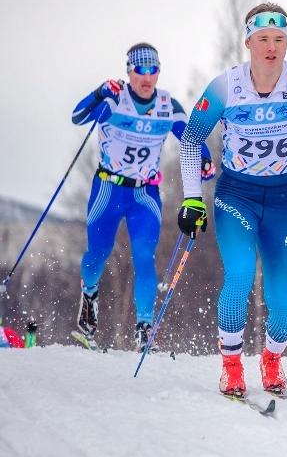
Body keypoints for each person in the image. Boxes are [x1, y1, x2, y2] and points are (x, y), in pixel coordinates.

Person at [177, 3, 287, 397]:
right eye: (263, 39)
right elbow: (190, 141)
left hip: (284, 199)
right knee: (238, 276)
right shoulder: (225, 85)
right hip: (236, 193)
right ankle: (232, 367)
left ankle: (271, 359)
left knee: (282, 298)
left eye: (279, 39)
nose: (271, 48)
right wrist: (192, 200)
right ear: (249, 42)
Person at [71, 43, 214, 351]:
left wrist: (203, 159)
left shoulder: (168, 105)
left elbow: (191, 138)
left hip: (145, 194)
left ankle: (144, 328)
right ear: (129, 72)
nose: (147, 77)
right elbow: (77, 117)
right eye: (140, 70)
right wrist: (98, 93)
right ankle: (89, 298)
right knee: (98, 253)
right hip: (109, 189)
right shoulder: (114, 100)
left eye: (153, 70)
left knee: (145, 259)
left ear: (159, 72)